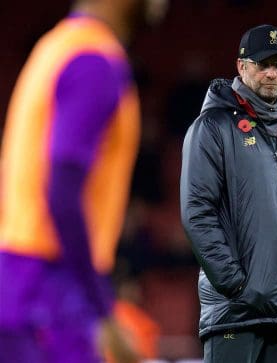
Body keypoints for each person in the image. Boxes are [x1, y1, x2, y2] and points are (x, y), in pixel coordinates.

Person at [0, 0, 168, 362]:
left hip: (18, 278)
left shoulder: (55, 46)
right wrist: (103, 311)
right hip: (50, 291)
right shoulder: (95, 63)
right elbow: (61, 191)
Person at [180, 24, 277, 363]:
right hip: (236, 313)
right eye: (263, 64)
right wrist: (235, 285)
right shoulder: (212, 127)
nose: (272, 73)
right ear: (241, 66)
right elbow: (196, 211)